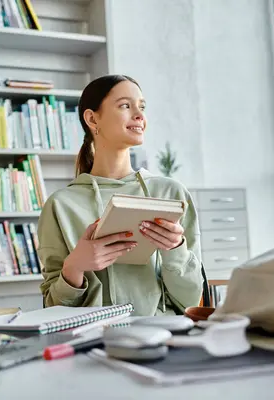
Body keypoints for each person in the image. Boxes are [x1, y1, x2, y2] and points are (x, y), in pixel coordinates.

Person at [37, 74, 204, 316]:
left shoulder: (171, 193)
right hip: (93, 341)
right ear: (92, 118)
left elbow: (190, 301)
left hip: (161, 338)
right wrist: (74, 267)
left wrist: (175, 249)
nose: (139, 115)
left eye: (142, 107)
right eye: (125, 105)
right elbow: (53, 310)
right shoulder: (60, 205)